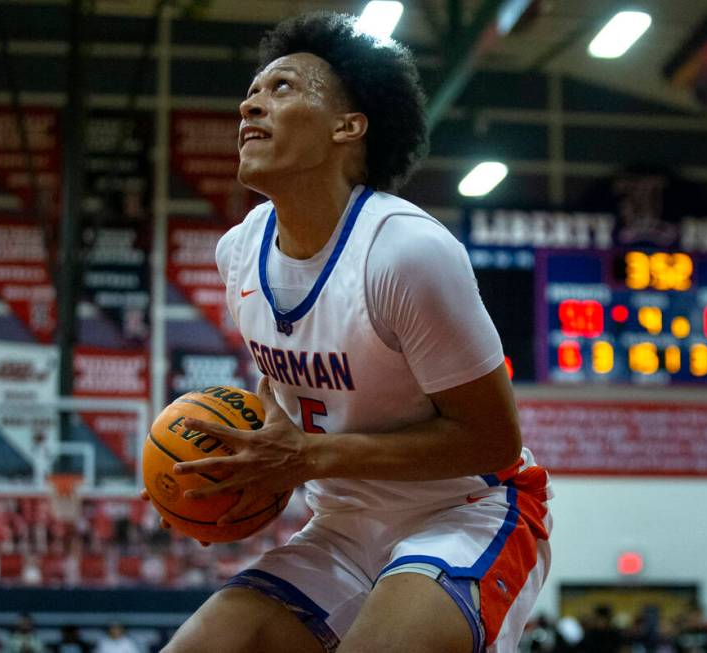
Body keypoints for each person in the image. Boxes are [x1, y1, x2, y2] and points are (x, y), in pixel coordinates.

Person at [144, 10, 552, 653]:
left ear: (348, 126)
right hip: (341, 523)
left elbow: (493, 440)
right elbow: (280, 375)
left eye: (282, 88)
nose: (252, 102)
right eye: (251, 91)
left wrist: (305, 457)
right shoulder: (239, 252)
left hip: (467, 512)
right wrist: (240, 472)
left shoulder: (405, 252)